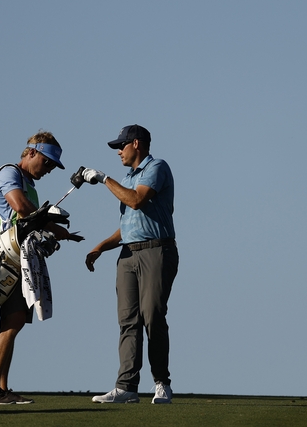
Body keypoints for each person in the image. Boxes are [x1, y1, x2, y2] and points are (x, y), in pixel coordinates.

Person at [80, 124, 179, 404]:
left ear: (136, 144)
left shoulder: (156, 167)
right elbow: (129, 226)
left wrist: (102, 179)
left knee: (152, 316)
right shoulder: (128, 177)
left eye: (121, 146)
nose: (118, 152)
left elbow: (135, 201)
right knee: (128, 321)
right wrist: (100, 246)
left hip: (157, 251)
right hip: (128, 254)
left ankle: (162, 383)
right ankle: (126, 387)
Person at [0, 130, 70, 405]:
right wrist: (52, 224)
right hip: (5, 259)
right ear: (31, 153)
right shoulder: (9, 173)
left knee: (14, 321)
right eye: (46, 163)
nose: (49, 170)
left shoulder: (29, 184)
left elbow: (30, 216)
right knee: (13, 320)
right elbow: (20, 207)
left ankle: (2, 388)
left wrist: (53, 230)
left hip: (22, 260)